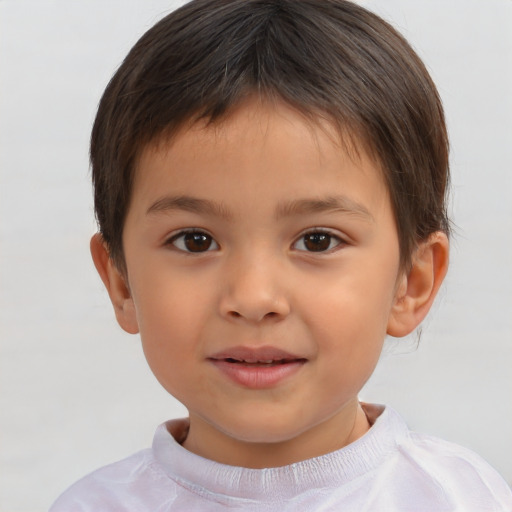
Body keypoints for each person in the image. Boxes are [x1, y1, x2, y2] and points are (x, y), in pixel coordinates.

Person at [49, 0, 512, 510]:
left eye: (318, 240)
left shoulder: (461, 498)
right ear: (120, 282)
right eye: (194, 240)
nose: (253, 297)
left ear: (413, 283)